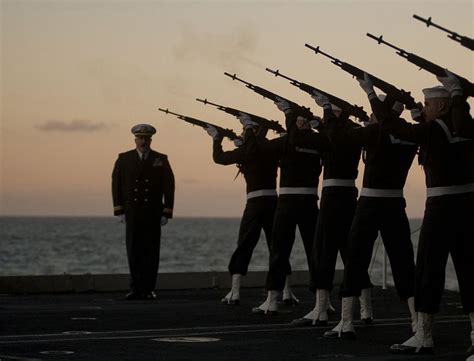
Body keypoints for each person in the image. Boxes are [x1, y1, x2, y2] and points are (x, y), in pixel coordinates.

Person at [322, 75, 418, 339]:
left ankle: (346, 322)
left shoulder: (377, 131)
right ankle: (416, 321)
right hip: (396, 203)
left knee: (355, 259)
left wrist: (329, 111)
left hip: (370, 204)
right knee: (404, 262)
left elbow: (338, 139)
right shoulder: (410, 134)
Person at [385, 72, 474, 356]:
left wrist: (378, 100)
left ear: (442, 106)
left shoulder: (435, 129)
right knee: (470, 271)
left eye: (427, 104)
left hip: (440, 209)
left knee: (427, 271)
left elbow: (395, 130)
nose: (423, 108)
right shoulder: (462, 126)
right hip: (467, 206)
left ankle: (424, 336)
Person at [291, 98, 365, 327]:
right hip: (351, 194)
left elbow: (298, 138)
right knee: (351, 253)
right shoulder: (357, 131)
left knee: (323, 251)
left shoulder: (333, 134)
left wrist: (290, 115)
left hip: (332, 195)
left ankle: (321, 310)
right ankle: (366, 310)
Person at [252, 99, 330, 314]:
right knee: (301, 251)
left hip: (289, 203)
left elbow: (261, 147)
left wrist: (255, 130)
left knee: (284, 250)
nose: (301, 123)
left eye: (303, 120)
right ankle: (280, 297)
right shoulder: (318, 141)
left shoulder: (288, 141)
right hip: (306, 202)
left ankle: (278, 298)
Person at [205, 119, 281, 305]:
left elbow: (219, 159)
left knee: (244, 245)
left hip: (255, 202)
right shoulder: (271, 148)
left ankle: (235, 292)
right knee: (278, 247)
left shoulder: (247, 152)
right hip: (273, 201)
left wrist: (217, 138)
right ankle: (285, 292)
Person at [112, 124, 175, 300]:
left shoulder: (160, 159)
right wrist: (119, 210)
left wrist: (166, 211)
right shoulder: (124, 158)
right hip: (132, 212)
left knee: (151, 251)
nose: (143, 141)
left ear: (151, 140)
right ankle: (135, 288)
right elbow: (116, 185)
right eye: (140, 138)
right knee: (133, 250)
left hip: (153, 212)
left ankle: (148, 289)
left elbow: (169, 186)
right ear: (135, 140)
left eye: (146, 139)